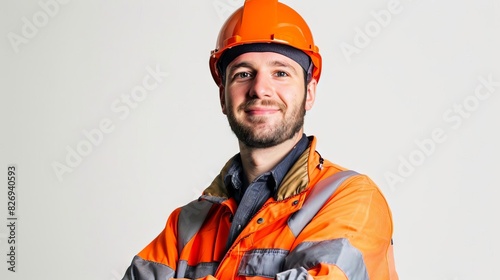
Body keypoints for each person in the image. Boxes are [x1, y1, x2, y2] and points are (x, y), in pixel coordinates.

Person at [122, 0, 398, 279]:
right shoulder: (186, 224)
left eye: (280, 73)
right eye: (243, 74)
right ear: (223, 97)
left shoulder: (352, 198)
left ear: (309, 93)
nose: (260, 88)